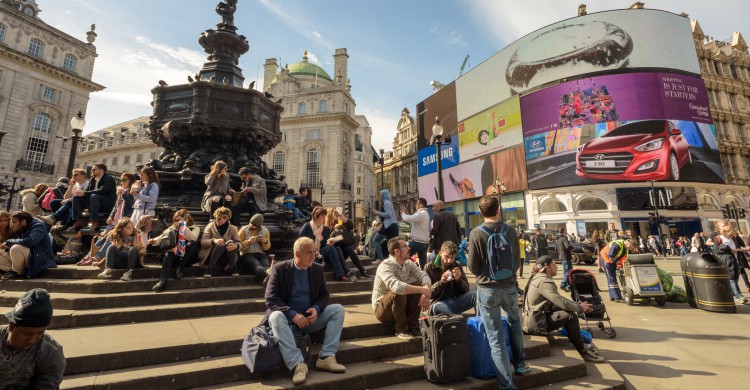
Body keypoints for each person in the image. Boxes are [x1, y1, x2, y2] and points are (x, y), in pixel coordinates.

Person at [261, 237, 346, 385]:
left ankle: (326, 357)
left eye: (314, 252)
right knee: (274, 317)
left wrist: (316, 308)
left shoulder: (317, 269)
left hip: (309, 319)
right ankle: (297, 364)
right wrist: (292, 315)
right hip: (287, 321)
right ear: (297, 254)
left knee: (338, 310)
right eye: (309, 253)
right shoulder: (280, 269)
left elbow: (324, 295)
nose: (313, 256)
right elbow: (270, 298)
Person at [467, 195, 529, 388]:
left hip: (487, 289)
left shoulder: (476, 233)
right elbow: (518, 261)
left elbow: (473, 267)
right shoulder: (510, 230)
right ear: (498, 210)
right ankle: (520, 364)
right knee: (515, 322)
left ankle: (507, 384)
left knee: (495, 338)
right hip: (509, 286)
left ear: (480, 212)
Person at [525, 256, 605, 362]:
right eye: (554, 265)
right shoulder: (544, 282)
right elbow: (561, 302)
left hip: (534, 320)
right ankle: (582, 351)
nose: (557, 267)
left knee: (569, 311)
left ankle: (581, 345)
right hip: (537, 324)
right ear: (546, 268)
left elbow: (558, 300)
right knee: (571, 316)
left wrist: (576, 304)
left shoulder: (537, 277)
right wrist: (580, 308)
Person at [0, 288, 65, 388]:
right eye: (27, 334)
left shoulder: (50, 352)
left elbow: (47, 386)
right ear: (12, 326)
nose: (32, 340)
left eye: (40, 333)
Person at [372, 236, 432, 340]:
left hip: (401, 306)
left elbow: (423, 276)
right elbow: (396, 287)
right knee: (398, 290)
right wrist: (422, 290)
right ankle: (401, 329)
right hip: (383, 310)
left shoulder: (408, 263)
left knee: (417, 284)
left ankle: (413, 327)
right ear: (396, 251)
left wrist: (425, 292)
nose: (409, 248)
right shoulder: (385, 266)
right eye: (405, 246)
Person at [78, 172, 137, 266]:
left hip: (124, 221)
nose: (122, 182)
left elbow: (132, 204)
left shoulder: (132, 191)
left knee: (110, 237)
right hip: (115, 220)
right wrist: (111, 216)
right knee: (101, 237)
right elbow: (116, 206)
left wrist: (124, 195)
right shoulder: (121, 191)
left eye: (125, 179)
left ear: (130, 181)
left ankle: (96, 258)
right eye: (121, 180)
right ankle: (88, 256)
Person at [149, 209, 201, 292]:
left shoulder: (195, 228)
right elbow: (161, 237)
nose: (176, 222)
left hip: (186, 258)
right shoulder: (171, 228)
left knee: (193, 243)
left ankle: (179, 269)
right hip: (174, 256)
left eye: (178, 220)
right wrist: (153, 241)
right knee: (169, 251)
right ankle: (162, 280)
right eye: (175, 220)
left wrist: (183, 227)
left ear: (186, 219)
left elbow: (193, 238)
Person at [299, 207, 351, 282]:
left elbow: (324, 244)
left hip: (320, 251)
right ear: (316, 216)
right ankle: (341, 274)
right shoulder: (306, 227)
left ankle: (341, 275)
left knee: (331, 248)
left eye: (324, 216)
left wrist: (330, 242)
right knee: (330, 249)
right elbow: (300, 242)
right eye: (322, 216)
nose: (324, 218)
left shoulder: (324, 229)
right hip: (309, 251)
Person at [424, 241, 476, 315]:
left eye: (452, 257)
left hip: (455, 301)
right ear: (440, 253)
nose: (449, 260)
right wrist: (441, 282)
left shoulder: (457, 265)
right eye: (447, 257)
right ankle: (454, 320)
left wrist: (458, 280)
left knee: (476, 296)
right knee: (440, 307)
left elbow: (465, 291)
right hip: (437, 303)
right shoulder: (429, 267)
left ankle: (481, 322)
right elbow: (428, 293)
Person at [0, 211, 56, 280]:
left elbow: (30, 241)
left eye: (14, 222)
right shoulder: (21, 227)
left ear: (23, 221)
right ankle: (11, 270)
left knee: (16, 248)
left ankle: (18, 272)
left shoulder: (38, 226)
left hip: (40, 260)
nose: (11, 225)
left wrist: (8, 242)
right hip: (30, 257)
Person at [70, 163, 117, 231]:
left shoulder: (109, 178)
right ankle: (78, 220)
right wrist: (80, 193)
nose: (92, 171)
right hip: (94, 202)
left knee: (94, 196)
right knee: (75, 197)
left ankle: (94, 221)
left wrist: (84, 193)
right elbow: (87, 191)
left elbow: (102, 191)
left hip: (106, 203)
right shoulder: (92, 180)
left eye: (94, 169)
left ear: (101, 170)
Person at [199, 206, 240, 277]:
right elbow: (203, 242)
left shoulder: (233, 228)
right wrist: (214, 240)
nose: (216, 221)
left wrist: (236, 246)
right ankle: (209, 268)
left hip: (226, 257)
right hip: (210, 256)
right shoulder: (211, 226)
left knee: (230, 243)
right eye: (216, 218)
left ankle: (233, 267)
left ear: (226, 218)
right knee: (221, 244)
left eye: (219, 219)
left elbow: (239, 243)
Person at [716, 226, 748, 304]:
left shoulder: (732, 238)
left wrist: (739, 250)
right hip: (727, 260)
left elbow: (739, 245)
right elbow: (717, 250)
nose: (731, 235)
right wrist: (730, 250)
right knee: (732, 278)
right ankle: (739, 295)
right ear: (725, 232)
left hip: (736, 259)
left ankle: (731, 294)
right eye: (730, 234)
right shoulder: (719, 238)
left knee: (735, 277)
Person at [237, 213, 271, 280]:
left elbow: (267, 248)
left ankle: (269, 276)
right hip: (247, 254)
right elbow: (238, 246)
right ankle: (269, 276)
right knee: (256, 265)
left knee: (266, 265)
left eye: (254, 225)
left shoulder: (265, 231)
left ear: (259, 226)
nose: (251, 226)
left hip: (261, 254)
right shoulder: (243, 230)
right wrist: (248, 242)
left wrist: (265, 241)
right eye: (250, 223)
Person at [400, 198, 430, 268]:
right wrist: (406, 214)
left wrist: (402, 213)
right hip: (424, 242)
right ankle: (425, 276)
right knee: (423, 263)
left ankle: (399, 272)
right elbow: (412, 221)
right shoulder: (425, 214)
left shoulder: (421, 213)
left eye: (417, 203)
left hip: (418, 241)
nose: (416, 205)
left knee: (404, 255)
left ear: (421, 205)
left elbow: (407, 218)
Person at [371, 189, 399, 261]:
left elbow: (388, 214)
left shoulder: (386, 203)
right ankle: (392, 259)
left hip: (388, 225)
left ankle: (380, 259)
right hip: (392, 225)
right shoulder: (389, 202)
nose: (380, 197)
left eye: (381, 195)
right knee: (392, 244)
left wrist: (378, 213)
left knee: (376, 240)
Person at [555, 227, 573, 292]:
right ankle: (563, 283)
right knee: (569, 271)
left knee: (566, 272)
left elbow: (556, 249)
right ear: (563, 232)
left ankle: (568, 286)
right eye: (565, 231)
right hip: (566, 257)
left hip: (561, 257)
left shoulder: (557, 239)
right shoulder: (564, 239)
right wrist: (572, 248)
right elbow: (567, 247)